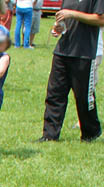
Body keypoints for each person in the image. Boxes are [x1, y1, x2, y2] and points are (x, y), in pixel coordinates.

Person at [39, 0, 104, 141]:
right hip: (63, 50)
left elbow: (101, 19)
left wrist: (73, 14)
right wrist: (59, 28)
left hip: (84, 52)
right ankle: (49, 135)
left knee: (83, 97)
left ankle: (90, 132)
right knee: (54, 93)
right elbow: (65, 18)